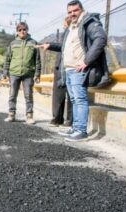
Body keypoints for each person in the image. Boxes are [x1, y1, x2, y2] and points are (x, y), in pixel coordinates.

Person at [38, 0, 109, 141]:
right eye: (69, 12)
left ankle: (81, 131)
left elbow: (100, 39)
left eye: (75, 11)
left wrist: (86, 61)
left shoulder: (90, 22)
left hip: (79, 69)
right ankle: (76, 128)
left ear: (81, 10)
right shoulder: (73, 27)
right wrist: (50, 45)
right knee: (75, 100)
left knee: (80, 99)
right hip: (69, 69)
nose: (72, 14)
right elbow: (65, 48)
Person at [3, 22, 41, 124]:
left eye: (24, 29)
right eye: (20, 30)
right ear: (17, 32)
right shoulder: (13, 44)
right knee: (12, 95)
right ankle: (11, 115)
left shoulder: (33, 43)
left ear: (27, 30)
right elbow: (7, 59)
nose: (22, 31)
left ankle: (29, 116)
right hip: (14, 73)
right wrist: (5, 72)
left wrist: (37, 74)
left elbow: (37, 60)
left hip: (28, 74)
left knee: (28, 95)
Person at [38, 17, 73, 127]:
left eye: (64, 24)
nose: (63, 26)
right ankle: (57, 118)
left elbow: (65, 47)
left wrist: (50, 45)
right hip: (59, 68)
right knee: (58, 95)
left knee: (71, 96)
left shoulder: (74, 34)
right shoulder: (65, 34)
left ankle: (70, 120)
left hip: (69, 67)